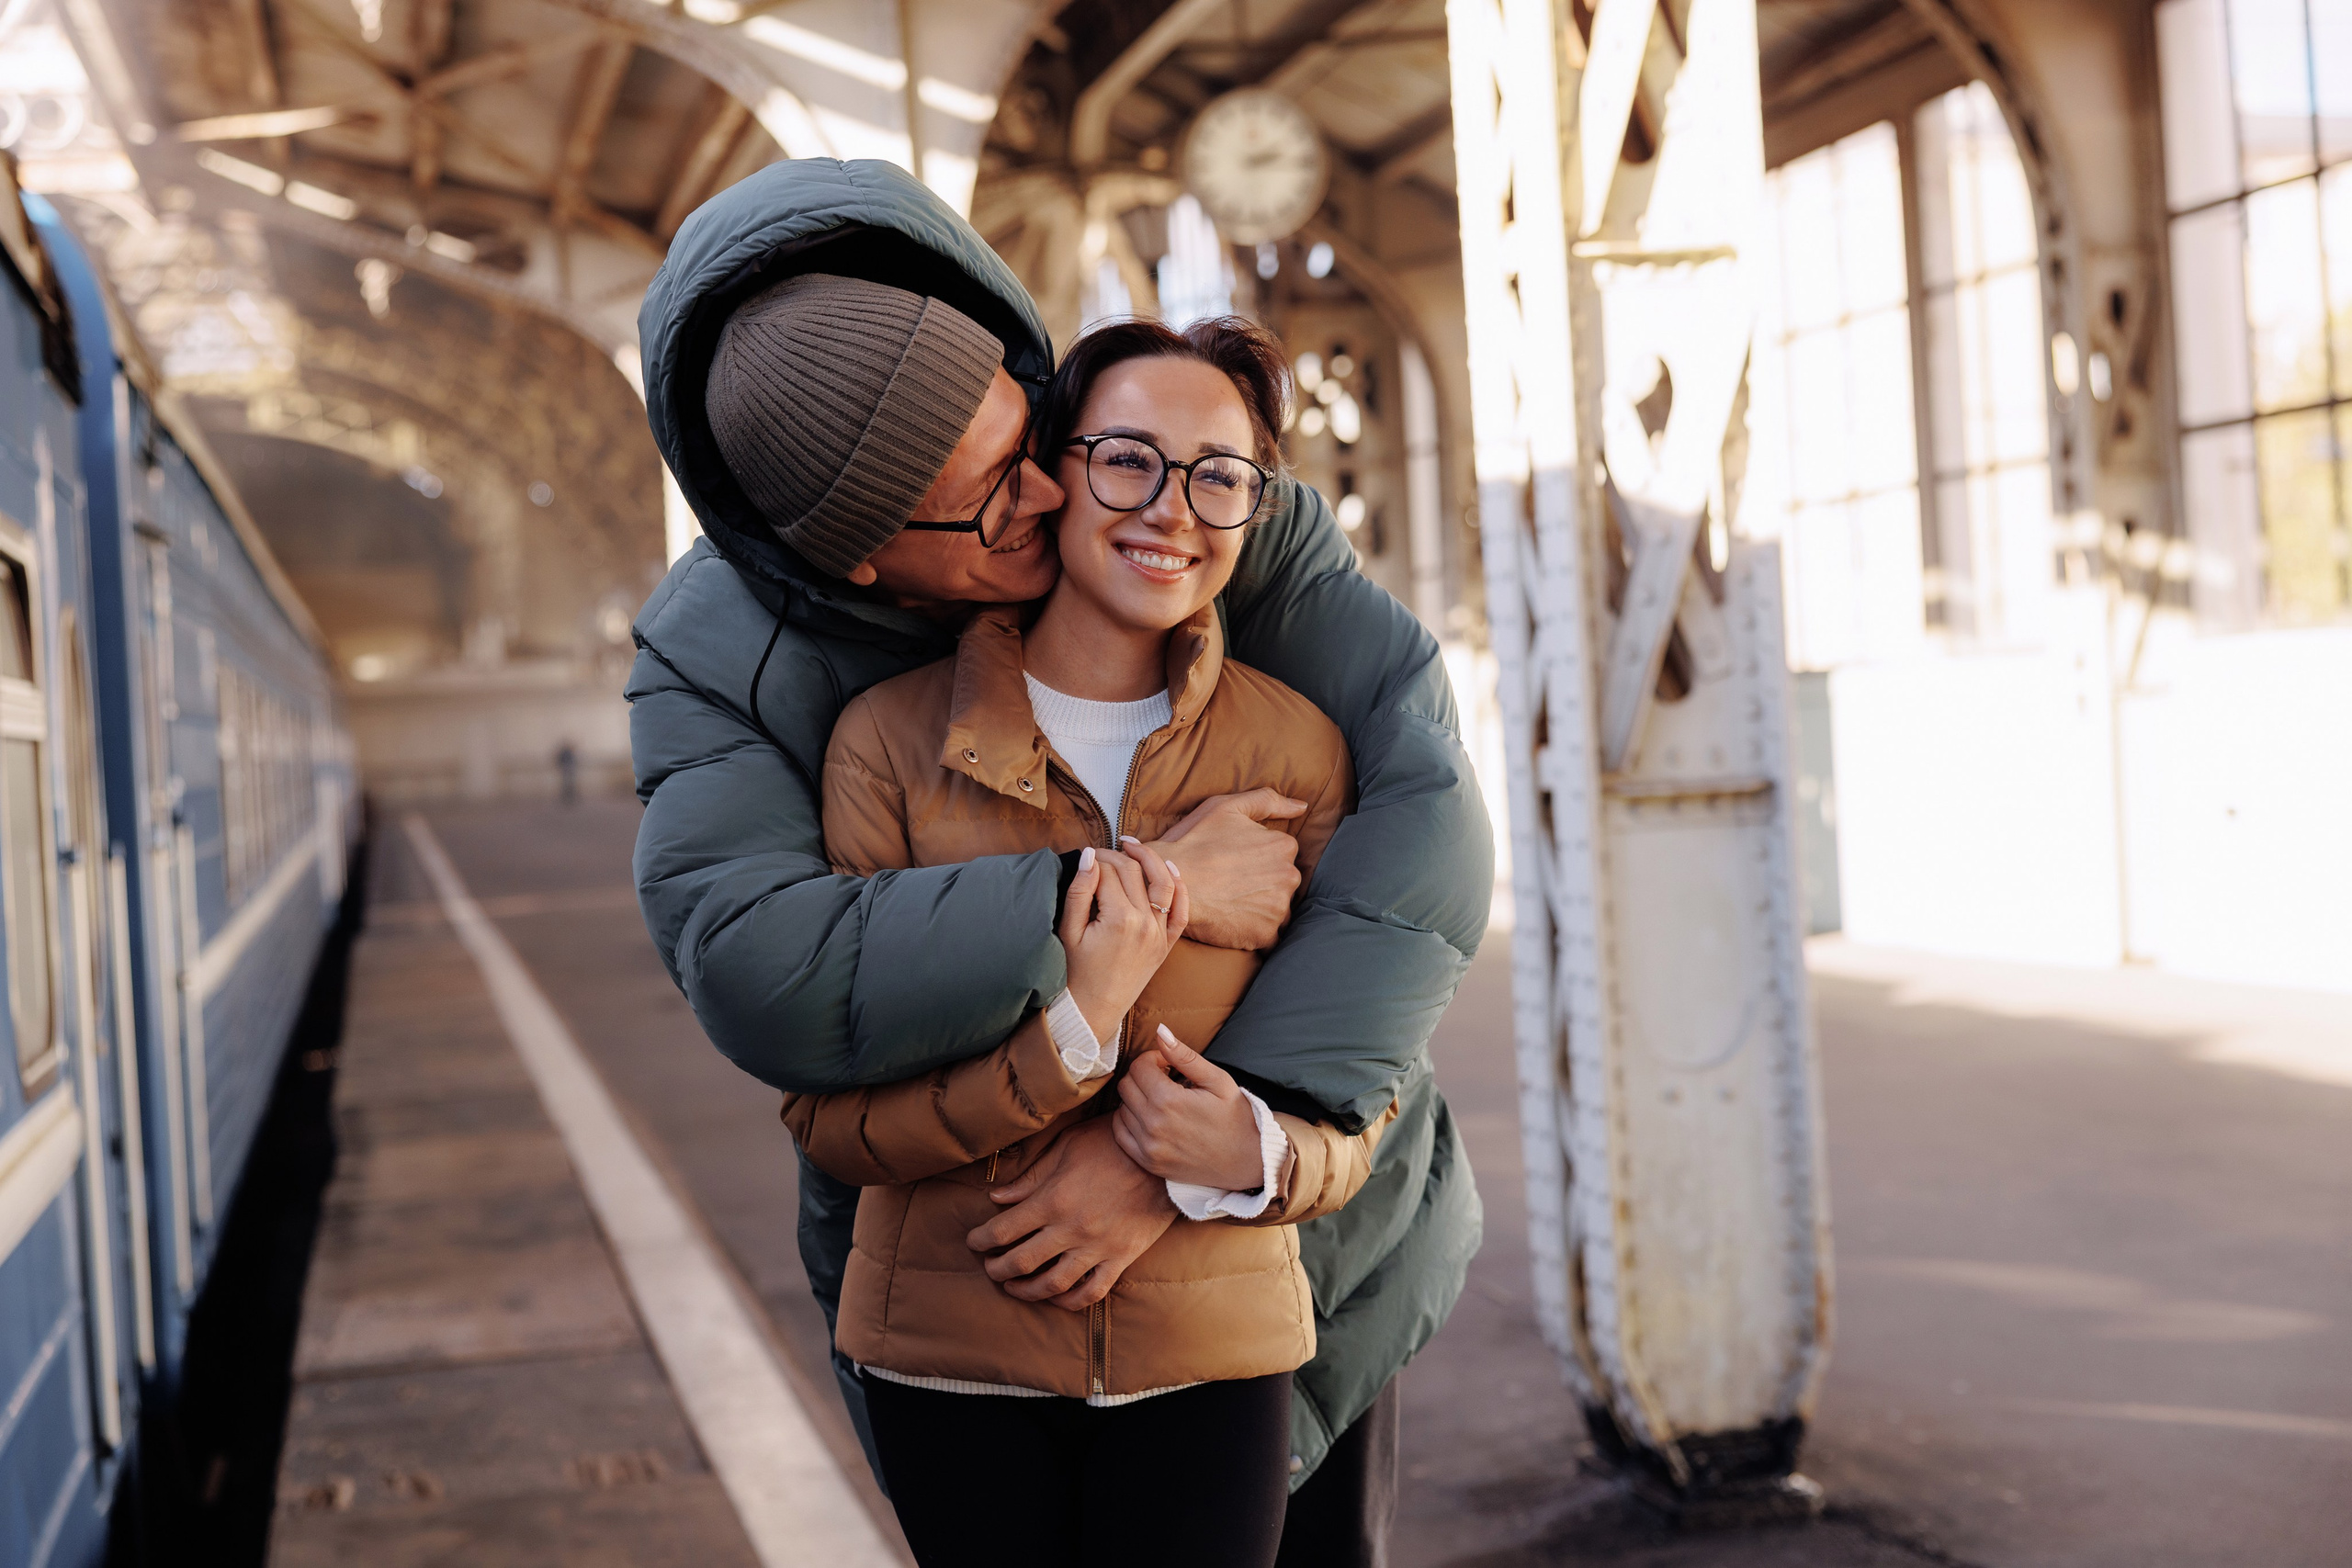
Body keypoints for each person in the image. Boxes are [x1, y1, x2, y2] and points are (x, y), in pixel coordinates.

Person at [629, 158, 1489, 1566]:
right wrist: (1133, 896)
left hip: (1303, 1254)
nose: (1054, 496)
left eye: (1033, 435)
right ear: (859, 569)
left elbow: (1421, 822)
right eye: (988, 502)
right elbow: (761, 967)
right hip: (978, 1293)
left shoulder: (1176, 487)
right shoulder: (729, 666)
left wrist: (1202, 1155)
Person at [786, 317, 1392, 1566]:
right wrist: (1067, 1034)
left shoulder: (1298, 756)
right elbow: (833, 1121)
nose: (1172, 509)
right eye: (1129, 459)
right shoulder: (886, 746)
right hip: (951, 1356)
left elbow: (1370, 1079)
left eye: (1219, 474)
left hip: (1211, 1349)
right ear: (1056, 477)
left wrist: (1251, 1154)